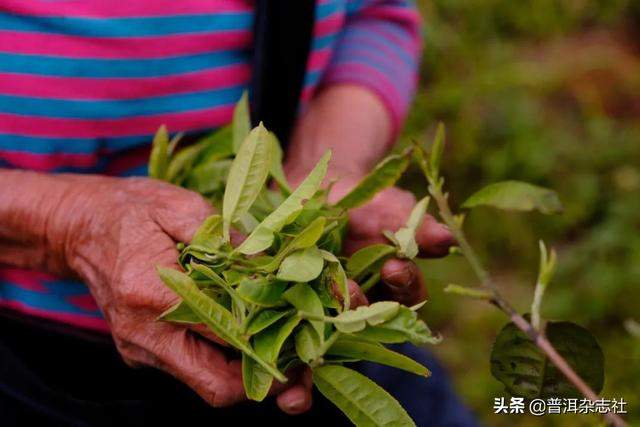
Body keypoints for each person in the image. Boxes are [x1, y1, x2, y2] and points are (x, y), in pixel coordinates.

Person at [0, 1, 477, 425]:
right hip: (41, 358)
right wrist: (62, 222)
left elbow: (373, 13)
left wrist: (329, 162)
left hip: (311, 329)